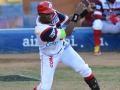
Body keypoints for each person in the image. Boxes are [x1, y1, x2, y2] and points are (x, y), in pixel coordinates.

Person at [33, 1, 100, 90]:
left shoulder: (53, 13)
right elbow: (67, 32)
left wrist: (86, 11)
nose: (50, 15)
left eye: (50, 12)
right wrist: (77, 13)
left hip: (63, 47)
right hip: (50, 56)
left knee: (85, 70)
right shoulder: (42, 30)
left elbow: (69, 20)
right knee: (45, 88)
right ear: (40, 14)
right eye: (46, 14)